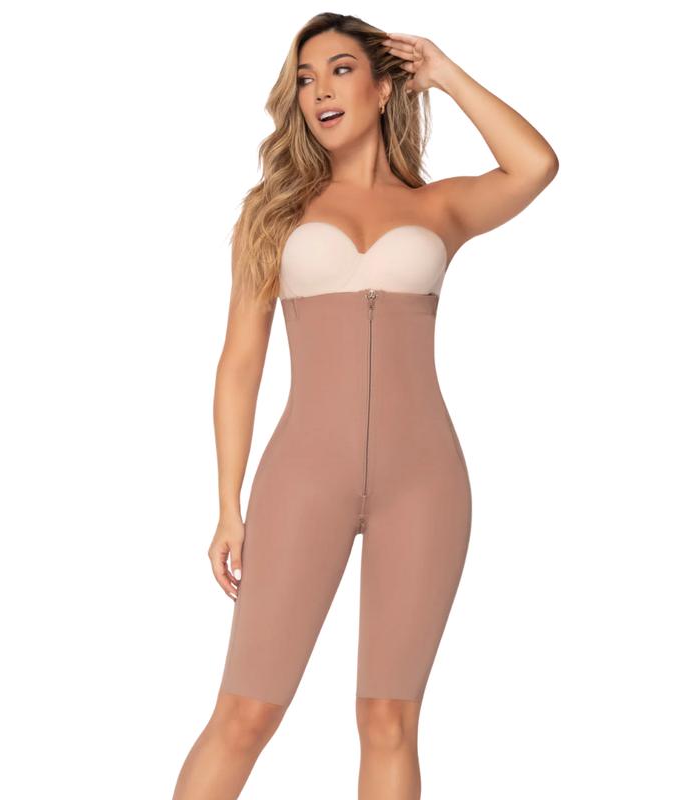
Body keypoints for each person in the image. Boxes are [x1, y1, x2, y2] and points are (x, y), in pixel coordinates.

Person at [173, 13, 558, 799]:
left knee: (390, 721)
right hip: (301, 480)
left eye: (341, 70)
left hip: (426, 484)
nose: (319, 90)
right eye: (305, 78)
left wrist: (445, 73)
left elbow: (536, 164)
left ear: (385, 89)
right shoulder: (274, 213)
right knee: (245, 714)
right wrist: (228, 505)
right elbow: (240, 364)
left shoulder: (441, 208)